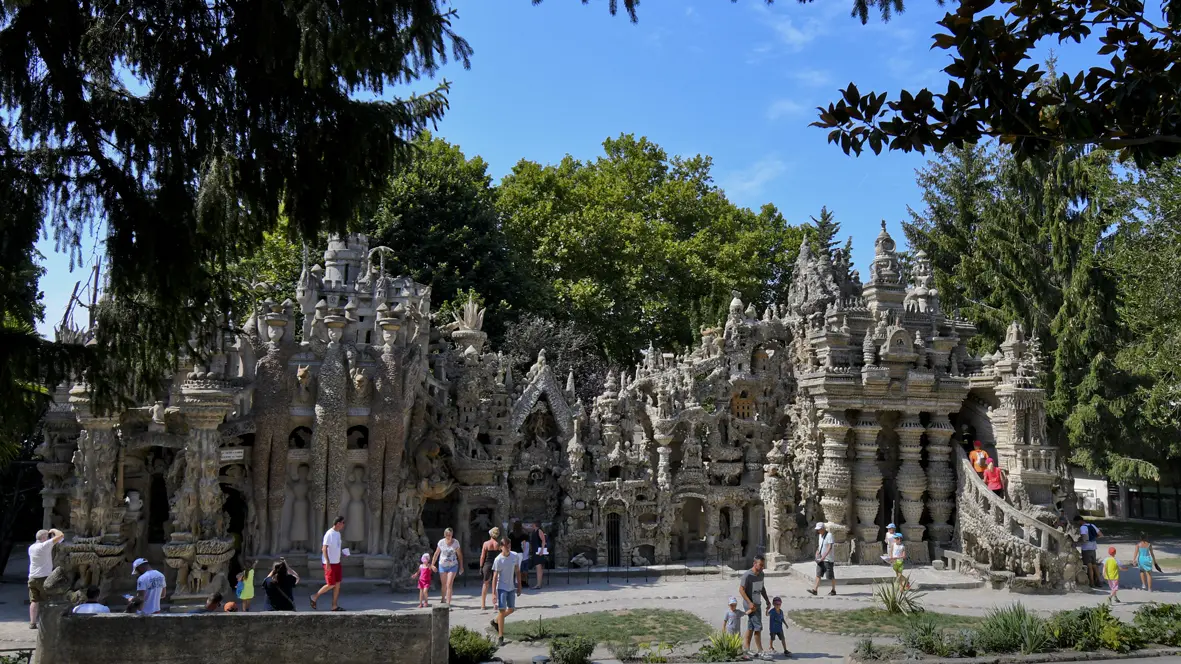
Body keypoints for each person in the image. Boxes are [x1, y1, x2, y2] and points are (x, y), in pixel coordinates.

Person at [28, 528, 65, 629]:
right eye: (47, 536)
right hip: (43, 578)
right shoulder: (45, 545)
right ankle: (47, 623)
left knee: (34, 601)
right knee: (48, 600)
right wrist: (53, 530)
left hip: (32, 577)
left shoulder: (31, 547)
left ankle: (32, 623)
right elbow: (61, 536)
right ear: (44, 537)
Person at [738, 553, 771, 661]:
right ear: (754, 563)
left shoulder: (761, 574)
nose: (762, 567)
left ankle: (746, 649)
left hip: (757, 603)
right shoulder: (747, 575)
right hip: (750, 605)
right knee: (758, 626)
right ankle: (760, 651)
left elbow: (762, 588)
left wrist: (767, 600)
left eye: (763, 565)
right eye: (760, 565)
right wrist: (749, 603)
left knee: (751, 626)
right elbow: (741, 590)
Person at [489, 538, 522, 647]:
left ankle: (496, 621)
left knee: (511, 609)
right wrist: (493, 593)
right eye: (505, 546)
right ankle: (500, 636)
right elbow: (494, 577)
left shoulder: (515, 556)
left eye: (509, 546)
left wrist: (519, 585)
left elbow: (517, 571)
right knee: (502, 610)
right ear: (501, 547)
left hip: (511, 587)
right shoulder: (498, 560)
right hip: (501, 587)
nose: (508, 548)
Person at [311, 516, 347, 611]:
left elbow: (335, 547)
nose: (344, 525)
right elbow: (324, 548)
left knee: (337, 584)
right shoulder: (329, 534)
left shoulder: (338, 533)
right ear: (338, 523)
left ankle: (334, 606)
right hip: (330, 563)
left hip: (337, 562)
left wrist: (342, 553)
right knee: (331, 584)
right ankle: (314, 596)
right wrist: (327, 562)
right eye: (343, 523)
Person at [431, 527, 464, 605]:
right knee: (444, 584)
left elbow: (459, 555)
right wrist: (432, 564)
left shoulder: (456, 542)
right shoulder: (441, 542)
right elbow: (436, 554)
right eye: (447, 535)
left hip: (453, 565)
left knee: (449, 584)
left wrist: (461, 566)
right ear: (445, 535)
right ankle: (443, 599)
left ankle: (448, 603)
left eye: (450, 535)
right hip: (442, 565)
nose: (449, 537)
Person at [808, 522, 836, 596]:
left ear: (823, 528)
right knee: (818, 574)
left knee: (830, 576)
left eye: (819, 529)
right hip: (820, 559)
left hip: (828, 559)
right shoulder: (820, 536)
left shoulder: (829, 535)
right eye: (817, 529)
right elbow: (820, 546)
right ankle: (815, 590)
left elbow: (829, 547)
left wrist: (824, 557)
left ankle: (833, 590)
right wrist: (817, 552)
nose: (818, 531)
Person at [1074, 515, 1102, 588]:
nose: (1077, 524)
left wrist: (1076, 543)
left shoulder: (1083, 528)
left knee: (1089, 566)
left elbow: (1085, 539)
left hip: (1086, 549)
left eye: (1076, 522)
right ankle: (1099, 581)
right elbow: (1100, 534)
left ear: (1079, 521)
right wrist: (1093, 538)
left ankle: (1092, 582)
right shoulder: (1092, 525)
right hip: (1093, 548)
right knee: (1094, 565)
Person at [479, 527, 501, 610]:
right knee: (495, 584)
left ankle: (483, 604)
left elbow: (482, 556)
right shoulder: (498, 544)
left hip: (487, 564)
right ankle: (495, 604)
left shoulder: (486, 543)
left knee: (485, 584)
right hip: (496, 564)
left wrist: (481, 566)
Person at [529, 520, 548, 589]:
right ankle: (538, 583)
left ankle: (538, 584)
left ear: (535, 524)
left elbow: (543, 540)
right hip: (535, 551)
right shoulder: (534, 531)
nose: (531, 525)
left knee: (539, 567)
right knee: (538, 568)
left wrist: (542, 550)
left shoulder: (539, 531)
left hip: (539, 552)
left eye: (533, 523)